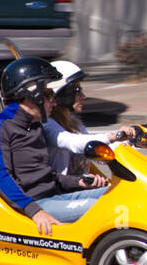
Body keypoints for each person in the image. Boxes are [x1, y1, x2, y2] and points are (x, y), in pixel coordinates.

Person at [0, 56, 107, 236]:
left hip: (55, 196)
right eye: (48, 95)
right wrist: (34, 211)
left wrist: (78, 182)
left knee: (120, 196)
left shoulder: (35, 125)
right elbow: (0, 177)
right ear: (32, 95)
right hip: (37, 204)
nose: (54, 102)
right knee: (111, 208)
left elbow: (47, 176)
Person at [39, 60, 135, 221]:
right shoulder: (47, 123)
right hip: (57, 195)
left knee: (129, 196)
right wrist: (114, 136)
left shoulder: (73, 121)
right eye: (77, 90)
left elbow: (97, 149)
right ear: (63, 94)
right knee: (115, 208)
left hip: (75, 190)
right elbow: (75, 143)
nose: (83, 96)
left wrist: (132, 143)